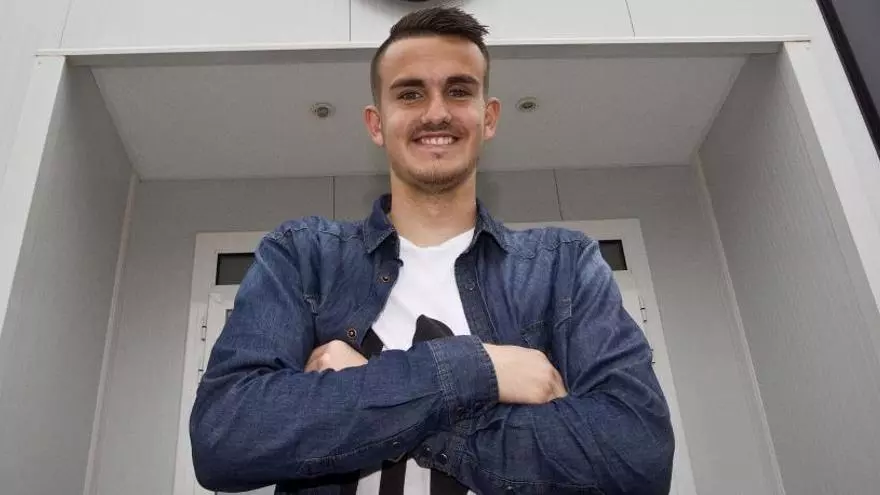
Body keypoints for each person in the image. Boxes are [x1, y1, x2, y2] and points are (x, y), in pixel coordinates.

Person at [190, 7, 674, 495]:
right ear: (376, 124)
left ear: (489, 117)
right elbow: (225, 435)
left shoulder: (563, 265)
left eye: (459, 91)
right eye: (410, 93)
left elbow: (638, 457)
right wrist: (476, 372)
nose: (436, 113)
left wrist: (377, 388)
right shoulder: (303, 256)